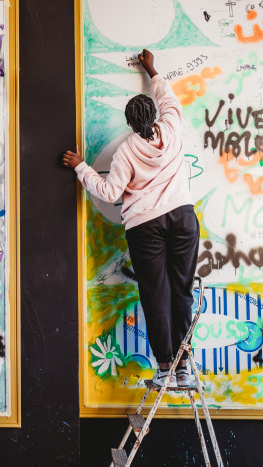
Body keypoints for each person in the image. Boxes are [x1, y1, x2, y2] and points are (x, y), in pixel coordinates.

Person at [63, 49, 199, 388]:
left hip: (145, 227)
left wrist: (81, 166)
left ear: (129, 123)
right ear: (154, 114)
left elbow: (109, 193)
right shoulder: (172, 126)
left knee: (156, 293)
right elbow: (167, 97)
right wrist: (152, 70)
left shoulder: (126, 151)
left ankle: (166, 367)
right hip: (182, 218)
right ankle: (184, 366)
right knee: (181, 290)